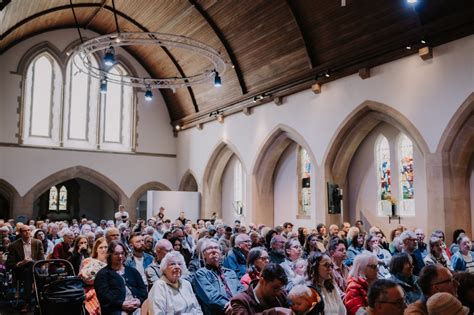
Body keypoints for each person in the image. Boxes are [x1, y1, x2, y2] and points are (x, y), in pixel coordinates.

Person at [95, 240, 147, 315]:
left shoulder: (132, 271)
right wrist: (121, 304)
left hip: (137, 306)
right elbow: (104, 298)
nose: (120, 256)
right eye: (116, 254)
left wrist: (139, 301)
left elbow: (143, 290)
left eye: (122, 253)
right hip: (115, 309)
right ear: (110, 255)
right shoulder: (103, 274)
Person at [192, 239, 244, 314]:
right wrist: (234, 306)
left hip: (237, 310)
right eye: (209, 248)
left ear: (221, 253)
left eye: (216, 248)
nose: (214, 251)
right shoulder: (201, 274)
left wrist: (238, 304)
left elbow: (241, 289)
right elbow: (211, 298)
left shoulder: (230, 272)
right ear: (204, 254)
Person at [6, 224, 44, 312]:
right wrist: (23, 262)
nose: (28, 232)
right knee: (29, 271)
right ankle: (38, 300)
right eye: (25, 231)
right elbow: (10, 264)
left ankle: (27, 303)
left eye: (29, 230)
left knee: (30, 268)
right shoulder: (14, 245)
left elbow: (42, 259)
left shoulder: (37, 242)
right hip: (20, 270)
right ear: (20, 233)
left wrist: (31, 262)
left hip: (35, 268)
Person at [79, 237, 108, 315]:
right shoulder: (88, 261)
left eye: (106, 247)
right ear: (96, 249)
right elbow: (84, 277)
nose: (103, 249)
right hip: (91, 289)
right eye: (101, 247)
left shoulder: (112, 263)